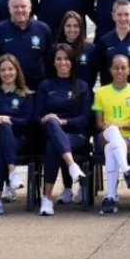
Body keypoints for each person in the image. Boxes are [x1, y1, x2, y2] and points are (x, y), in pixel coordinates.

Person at [35, 44, 91, 213]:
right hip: (51, 134)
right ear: (53, 62)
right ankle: (71, 165)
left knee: (53, 140)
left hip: (77, 136)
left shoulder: (82, 86)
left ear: (72, 62)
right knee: (51, 127)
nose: (62, 62)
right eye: (58, 59)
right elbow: (36, 116)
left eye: (66, 59)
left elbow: (85, 118)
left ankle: (47, 199)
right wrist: (46, 119)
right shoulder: (46, 85)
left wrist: (64, 122)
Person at [0, 54, 35, 216]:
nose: (7, 73)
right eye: (3, 70)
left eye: (10, 69)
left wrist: (9, 119)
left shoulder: (26, 94)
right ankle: (12, 172)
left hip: (19, 140)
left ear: (17, 71)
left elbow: (27, 120)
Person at [92, 54, 130, 215]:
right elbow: (99, 124)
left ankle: (110, 197)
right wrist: (112, 128)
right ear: (110, 70)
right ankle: (127, 171)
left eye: (123, 67)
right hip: (105, 136)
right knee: (111, 134)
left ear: (129, 70)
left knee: (111, 148)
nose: (120, 71)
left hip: (129, 140)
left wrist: (119, 125)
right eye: (116, 68)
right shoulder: (101, 92)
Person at [0, 0, 53, 88]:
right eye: (15, 7)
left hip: (36, 89)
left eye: (23, 6)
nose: (20, 10)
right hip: (8, 89)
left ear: (30, 8)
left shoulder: (43, 30)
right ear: (9, 9)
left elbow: (50, 60)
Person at [93, 0, 130, 88]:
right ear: (113, 16)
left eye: (126, 14)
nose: (123, 18)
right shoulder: (104, 41)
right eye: (119, 15)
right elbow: (102, 69)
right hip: (111, 93)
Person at [53, 11, 96, 88]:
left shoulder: (91, 49)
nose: (72, 29)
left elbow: (93, 74)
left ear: (81, 28)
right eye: (68, 26)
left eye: (76, 26)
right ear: (63, 27)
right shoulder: (55, 49)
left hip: (84, 94)